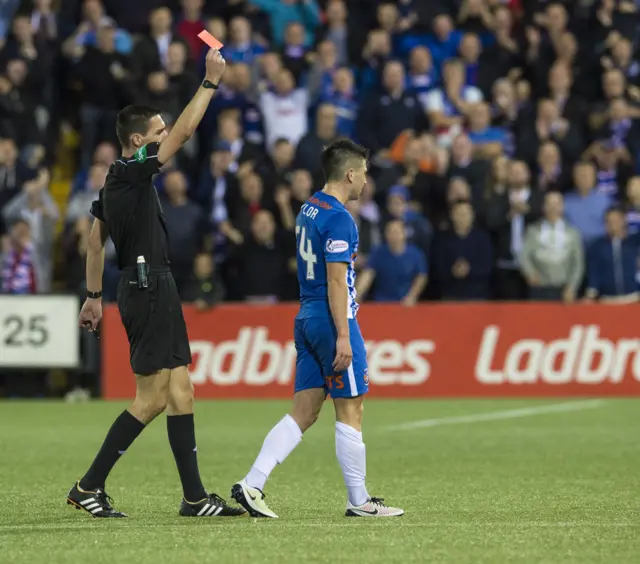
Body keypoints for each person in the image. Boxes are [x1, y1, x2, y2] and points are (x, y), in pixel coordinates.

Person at [66, 49, 246, 519]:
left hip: (148, 285)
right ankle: (88, 486)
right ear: (137, 141)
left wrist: (93, 298)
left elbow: (94, 242)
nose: (166, 136)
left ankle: (193, 498)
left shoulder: (118, 183)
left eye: (163, 132)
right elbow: (186, 131)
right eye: (157, 133)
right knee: (151, 399)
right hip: (147, 286)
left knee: (182, 392)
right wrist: (209, 83)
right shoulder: (130, 171)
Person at [231, 139, 404, 518]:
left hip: (306, 317)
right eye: (364, 173)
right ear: (350, 174)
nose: (366, 181)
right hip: (330, 320)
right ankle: (358, 501)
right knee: (351, 408)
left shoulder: (308, 207)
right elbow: (336, 281)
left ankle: (252, 483)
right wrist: (343, 334)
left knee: (305, 411)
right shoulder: (340, 218)